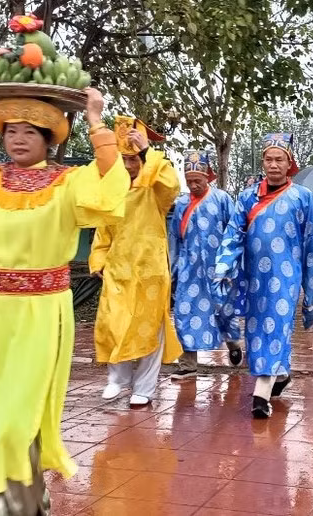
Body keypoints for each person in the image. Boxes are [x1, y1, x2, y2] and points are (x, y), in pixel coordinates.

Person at [0, 88, 130, 514]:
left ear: (49, 138)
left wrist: (95, 119)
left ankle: (26, 501)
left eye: (30, 131)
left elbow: (112, 182)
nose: (18, 138)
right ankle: (22, 501)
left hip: (45, 306)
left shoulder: (69, 181)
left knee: (24, 409)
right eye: (11, 130)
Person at [214, 133, 313, 419]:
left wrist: (312, 289)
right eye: (269, 159)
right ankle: (281, 373)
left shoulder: (302, 197)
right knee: (257, 330)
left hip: (286, 278)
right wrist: (224, 266)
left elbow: (312, 244)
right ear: (263, 162)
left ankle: (260, 395)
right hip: (252, 278)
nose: (273, 165)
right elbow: (234, 233)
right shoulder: (247, 197)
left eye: (280, 159)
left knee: (276, 327)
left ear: (290, 163)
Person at [89, 115, 182, 406]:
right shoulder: (112, 190)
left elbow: (171, 184)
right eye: (124, 159)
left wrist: (146, 152)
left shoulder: (154, 191)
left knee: (149, 329)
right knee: (114, 322)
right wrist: (98, 259)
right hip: (118, 269)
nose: (129, 166)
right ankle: (117, 378)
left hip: (150, 271)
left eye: (133, 159)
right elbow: (102, 230)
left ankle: (144, 387)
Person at [168, 150, 243, 380]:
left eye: (197, 181)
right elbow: (174, 239)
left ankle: (233, 343)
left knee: (223, 310)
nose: (193, 185)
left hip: (218, 269)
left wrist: (231, 264)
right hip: (189, 269)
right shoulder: (181, 204)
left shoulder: (222, 199)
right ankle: (188, 361)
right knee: (184, 310)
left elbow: (234, 231)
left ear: (208, 176)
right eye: (189, 181)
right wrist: (173, 269)